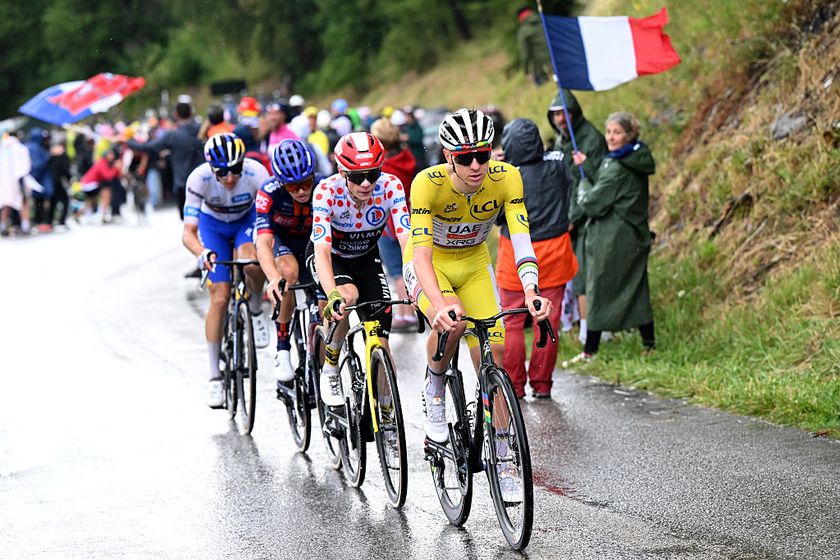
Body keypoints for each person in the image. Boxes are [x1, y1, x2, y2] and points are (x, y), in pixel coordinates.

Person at [402, 108, 552, 443]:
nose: (475, 166)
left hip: (473, 263)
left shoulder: (506, 177)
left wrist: (531, 289)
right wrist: (439, 304)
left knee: (495, 351)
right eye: (465, 157)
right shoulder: (427, 184)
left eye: (482, 156)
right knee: (453, 320)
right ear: (448, 157)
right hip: (431, 264)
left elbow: (522, 238)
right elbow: (422, 255)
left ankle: (502, 449)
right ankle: (436, 387)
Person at [307, 132, 410, 407]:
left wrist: (417, 282)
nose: (366, 183)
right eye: (356, 176)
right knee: (347, 296)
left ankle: (387, 413)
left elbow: (406, 240)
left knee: (381, 343)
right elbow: (322, 252)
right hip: (334, 257)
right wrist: (332, 295)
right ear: (342, 172)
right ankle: (330, 365)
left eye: (372, 174)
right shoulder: (326, 191)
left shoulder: (391, 186)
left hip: (366, 256)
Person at [182, 133, 272, 408]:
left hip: (247, 219)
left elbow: (268, 219)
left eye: (235, 169)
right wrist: (202, 253)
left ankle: (255, 309)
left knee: (250, 261)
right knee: (219, 298)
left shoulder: (257, 173)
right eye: (222, 172)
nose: (230, 177)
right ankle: (214, 376)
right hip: (213, 226)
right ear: (211, 168)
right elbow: (188, 232)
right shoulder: (198, 179)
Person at [565, 112, 657, 364]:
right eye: (608, 132)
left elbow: (593, 202)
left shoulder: (618, 165)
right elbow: (609, 186)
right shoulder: (629, 158)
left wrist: (583, 186)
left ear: (629, 135)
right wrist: (588, 167)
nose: (611, 137)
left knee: (598, 290)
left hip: (614, 240)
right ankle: (649, 344)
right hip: (630, 237)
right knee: (637, 288)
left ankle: (589, 351)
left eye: (617, 132)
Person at [495, 118, 577, 398]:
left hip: (516, 254)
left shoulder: (507, 175)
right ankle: (542, 384)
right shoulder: (557, 163)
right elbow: (573, 186)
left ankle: (515, 386)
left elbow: (495, 217)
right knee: (547, 320)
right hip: (555, 250)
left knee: (513, 323)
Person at [255, 139, 322, 382]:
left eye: (306, 183)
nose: (302, 191)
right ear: (282, 183)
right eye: (294, 187)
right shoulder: (269, 192)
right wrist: (273, 278)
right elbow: (263, 242)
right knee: (289, 275)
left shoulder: (325, 186)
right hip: (283, 241)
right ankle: (282, 348)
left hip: (314, 240)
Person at [548, 89, 609, 349]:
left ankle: (592, 332)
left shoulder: (590, 138)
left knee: (586, 275)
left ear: (574, 112)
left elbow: (594, 182)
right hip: (568, 218)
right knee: (573, 275)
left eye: (565, 112)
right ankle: (578, 325)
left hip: (588, 217)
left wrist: (573, 218)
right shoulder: (563, 140)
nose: (561, 119)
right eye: (556, 114)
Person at [369, 117, 418, 331]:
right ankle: (412, 309)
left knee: (396, 269)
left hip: (390, 222)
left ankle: (406, 313)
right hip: (411, 215)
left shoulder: (384, 167)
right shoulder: (406, 158)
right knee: (409, 263)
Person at [128, 102, 203, 220]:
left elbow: (150, 147)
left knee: (188, 222)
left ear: (176, 114)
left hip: (183, 184)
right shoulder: (202, 130)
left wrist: (129, 141)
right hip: (203, 181)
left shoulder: (173, 135)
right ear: (191, 113)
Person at [79, 146, 122, 223]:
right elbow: (108, 176)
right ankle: (102, 216)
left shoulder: (103, 162)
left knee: (90, 200)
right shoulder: (102, 163)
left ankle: (85, 216)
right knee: (106, 193)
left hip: (88, 184)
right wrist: (115, 168)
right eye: (110, 154)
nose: (113, 156)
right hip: (89, 185)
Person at [0, 131, 31, 237]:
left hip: (4, 182)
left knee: (5, 204)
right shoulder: (22, 148)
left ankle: (3, 225)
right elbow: (26, 166)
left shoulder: (2, 149)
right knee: (24, 203)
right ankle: (25, 225)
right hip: (20, 180)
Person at [516, 7, 550, 85]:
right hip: (558, 57)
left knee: (542, 87)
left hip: (541, 65)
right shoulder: (543, 19)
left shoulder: (523, 31)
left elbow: (524, 54)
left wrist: (526, 71)